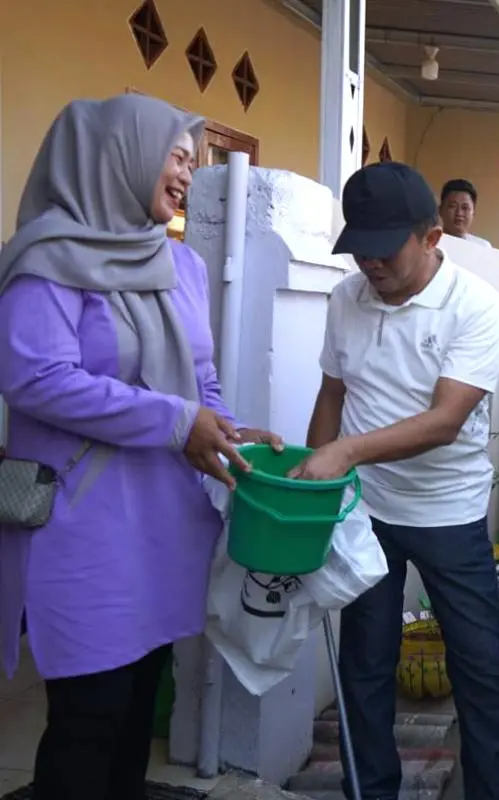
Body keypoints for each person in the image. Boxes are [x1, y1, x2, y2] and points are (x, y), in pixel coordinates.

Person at [0, 94, 280, 800]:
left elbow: (201, 375)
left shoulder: (177, 265)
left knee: (133, 715)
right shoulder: (47, 261)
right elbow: (35, 378)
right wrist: (176, 422)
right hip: (82, 525)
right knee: (88, 716)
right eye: (177, 155)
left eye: (192, 158)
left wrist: (220, 430)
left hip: (164, 522)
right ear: (117, 156)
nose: (188, 172)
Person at [295, 161, 499, 800]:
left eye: (384, 246)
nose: (369, 261)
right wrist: (323, 488)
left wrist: (344, 453)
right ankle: (371, 790)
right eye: (358, 246)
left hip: (448, 511)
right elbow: (331, 393)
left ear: (431, 238)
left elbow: (446, 420)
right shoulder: (346, 298)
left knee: (479, 664)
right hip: (366, 510)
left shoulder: (473, 305)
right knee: (366, 662)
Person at [439, 178, 492, 248]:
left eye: (465, 208)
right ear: (440, 210)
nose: (459, 213)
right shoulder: (429, 243)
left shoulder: (483, 247)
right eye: (452, 206)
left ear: (473, 212)